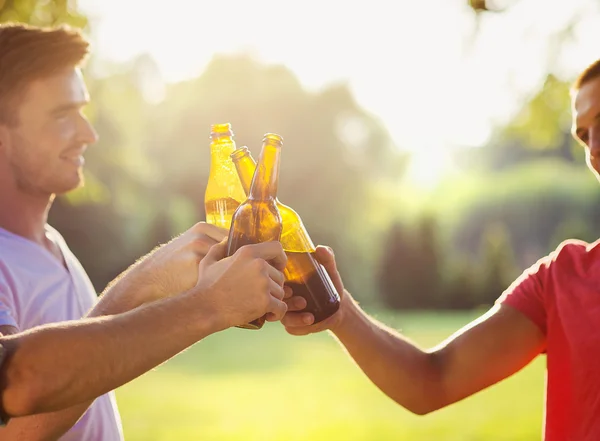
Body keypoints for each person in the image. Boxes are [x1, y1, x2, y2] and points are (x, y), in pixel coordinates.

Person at [282, 58, 600, 441]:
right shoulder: (561, 280)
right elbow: (432, 380)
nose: (594, 147)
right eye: (583, 135)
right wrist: (341, 312)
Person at [0, 22, 288, 439]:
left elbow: (77, 375)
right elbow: (18, 421)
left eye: (83, 111)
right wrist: (209, 304)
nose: (89, 134)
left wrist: (148, 282)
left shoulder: (50, 244)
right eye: (63, 115)